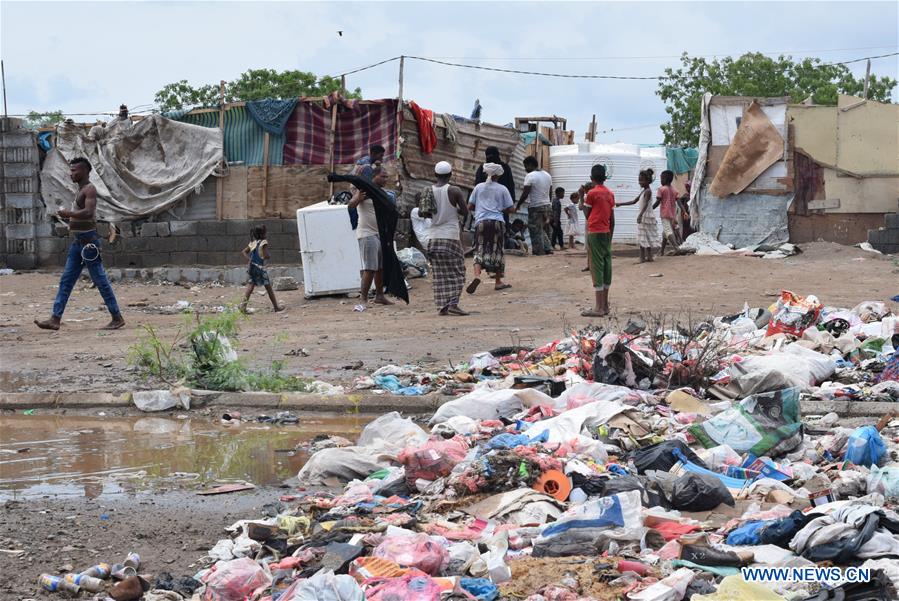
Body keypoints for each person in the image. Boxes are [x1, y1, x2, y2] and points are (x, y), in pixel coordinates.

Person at [35, 158, 125, 331]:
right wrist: (70, 215)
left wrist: (68, 213)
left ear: (85, 171)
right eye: (71, 170)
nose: (71, 173)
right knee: (66, 281)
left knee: (100, 281)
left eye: (75, 170)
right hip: (78, 244)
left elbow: (89, 212)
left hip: (88, 244)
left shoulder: (89, 189)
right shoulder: (81, 190)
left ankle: (117, 317)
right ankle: (55, 319)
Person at [425, 161, 469, 316]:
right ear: (451, 174)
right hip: (450, 237)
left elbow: (423, 213)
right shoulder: (454, 190)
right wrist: (454, 209)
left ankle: (443, 306)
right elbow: (465, 211)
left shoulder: (428, 191)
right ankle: (453, 304)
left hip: (433, 237)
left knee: (439, 274)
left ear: (435, 175)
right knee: (458, 272)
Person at [348, 165, 394, 311]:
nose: (386, 179)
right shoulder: (364, 190)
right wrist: (358, 197)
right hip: (367, 234)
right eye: (383, 176)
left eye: (387, 177)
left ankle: (379, 296)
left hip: (378, 234)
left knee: (380, 268)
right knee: (370, 268)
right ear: (374, 177)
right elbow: (350, 205)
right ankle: (363, 300)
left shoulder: (380, 193)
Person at [466, 163, 515, 293]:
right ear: (498, 175)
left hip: (481, 222)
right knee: (497, 250)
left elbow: (470, 206)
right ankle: (498, 282)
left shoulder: (478, 187)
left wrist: (480, 209)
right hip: (497, 222)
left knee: (479, 249)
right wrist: (500, 209)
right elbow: (512, 208)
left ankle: (477, 276)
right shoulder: (502, 189)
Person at [581, 164, 615, 317]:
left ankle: (598, 307)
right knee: (607, 264)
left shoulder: (592, 194)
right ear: (605, 177)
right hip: (606, 232)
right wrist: (610, 235)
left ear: (591, 178)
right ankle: (605, 305)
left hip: (595, 232)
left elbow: (587, 215)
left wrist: (582, 195)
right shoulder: (609, 194)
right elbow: (612, 218)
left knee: (596, 266)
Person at [616, 168, 658, 263]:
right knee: (646, 236)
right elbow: (634, 201)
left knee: (643, 237)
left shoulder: (648, 191)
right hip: (646, 216)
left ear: (648, 180)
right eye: (639, 180)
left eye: (641, 180)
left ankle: (642, 257)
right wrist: (621, 204)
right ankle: (649, 257)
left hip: (645, 216)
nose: (640, 182)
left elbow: (646, 204)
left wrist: (640, 215)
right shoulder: (644, 191)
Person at [240, 225, 284, 313]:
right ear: (262, 233)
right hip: (260, 268)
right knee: (268, 288)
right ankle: (276, 307)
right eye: (265, 232)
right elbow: (266, 255)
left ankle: (243, 307)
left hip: (252, 267)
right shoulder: (264, 242)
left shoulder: (252, 242)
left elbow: (244, 251)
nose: (266, 234)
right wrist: (268, 256)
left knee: (250, 286)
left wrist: (250, 259)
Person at [517, 156, 553, 256]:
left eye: (526, 166)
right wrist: (548, 203)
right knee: (541, 228)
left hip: (536, 207)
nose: (525, 169)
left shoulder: (530, 176)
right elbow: (550, 192)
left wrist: (518, 205)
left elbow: (525, 193)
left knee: (535, 230)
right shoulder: (547, 175)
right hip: (547, 205)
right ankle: (548, 248)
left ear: (530, 164)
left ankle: (539, 251)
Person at [654, 170, 680, 255]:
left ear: (665, 179)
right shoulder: (674, 190)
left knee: (668, 231)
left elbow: (658, 202)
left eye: (661, 178)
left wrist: (650, 208)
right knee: (665, 233)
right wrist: (684, 211)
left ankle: (676, 248)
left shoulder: (661, 189)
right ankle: (661, 251)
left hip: (665, 214)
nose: (661, 180)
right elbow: (678, 202)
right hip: (672, 214)